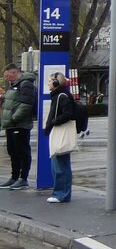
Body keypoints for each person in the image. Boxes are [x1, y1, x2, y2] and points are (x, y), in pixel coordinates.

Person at [0, 62, 36, 189]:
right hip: (11, 125)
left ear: (14, 73)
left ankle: (23, 178)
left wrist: (14, 118)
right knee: (12, 151)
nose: (5, 78)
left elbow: (26, 104)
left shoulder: (26, 84)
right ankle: (14, 177)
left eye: (6, 75)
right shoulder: (14, 85)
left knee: (22, 151)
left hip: (20, 125)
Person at [43, 73, 76, 203]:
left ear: (57, 83)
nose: (48, 84)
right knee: (60, 164)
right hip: (58, 130)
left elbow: (68, 113)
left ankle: (61, 194)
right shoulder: (60, 95)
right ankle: (60, 193)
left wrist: (54, 122)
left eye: (50, 81)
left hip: (60, 131)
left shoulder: (61, 96)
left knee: (60, 165)